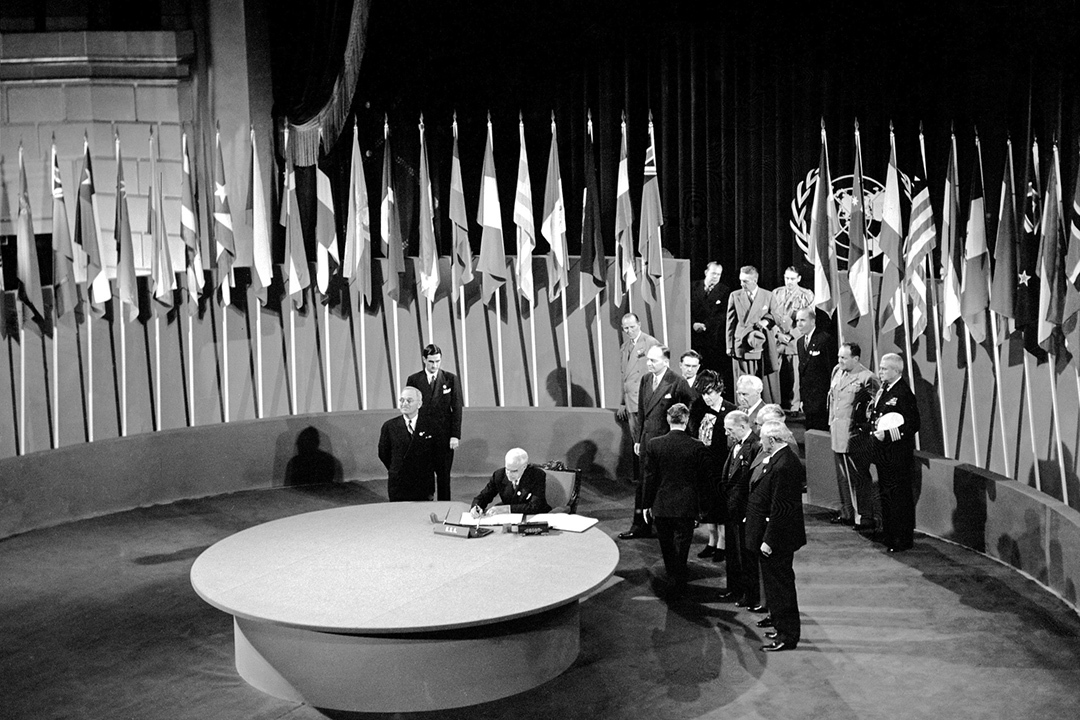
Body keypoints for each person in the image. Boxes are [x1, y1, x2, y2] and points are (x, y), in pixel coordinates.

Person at [619, 344, 694, 539]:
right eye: (648, 360)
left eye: (654, 360)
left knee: (663, 484)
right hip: (646, 441)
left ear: (666, 362)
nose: (649, 363)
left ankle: (666, 527)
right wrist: (638, 439)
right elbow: (642, 412)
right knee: (643, 483)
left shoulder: (677, 382)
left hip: (667, 443)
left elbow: (690, 411)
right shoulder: (645, 380)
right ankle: (640, 526)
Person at [745, 420, 807, 651]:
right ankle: (782, 628)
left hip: (778, 539)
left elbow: (781, 508)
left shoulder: (784, 465)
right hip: (776, 536)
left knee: (781, 588)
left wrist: (769, 541)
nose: (760, 442)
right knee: (776, 587)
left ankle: (787, 636)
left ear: (771, 440)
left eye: (762, 438)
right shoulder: (781, 459)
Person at [642, 403, 709, 599]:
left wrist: (646, 504)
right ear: (687, 420)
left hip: (661, 504)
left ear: (668, 419)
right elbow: (702, 480)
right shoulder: (697, 446)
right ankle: (679, 580)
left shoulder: (654, 444)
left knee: (666, 543)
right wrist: (702, 507)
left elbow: (649, 477)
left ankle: (672, 575)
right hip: (686, 505)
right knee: (683, 543)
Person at [868, 353, 921, 553]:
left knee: (899, 497)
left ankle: (901, 538)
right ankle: (890, 533)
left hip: (897, 454)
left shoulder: (903, 393)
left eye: (884, 368)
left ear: (896, 371)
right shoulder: (885, 390)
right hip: (884, 454)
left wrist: (889, 434)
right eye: (880, 368)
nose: (880, 372)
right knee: (887, 495)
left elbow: (913, 424)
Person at [828, 342, 880, 529]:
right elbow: (833, 399)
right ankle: (847, 512)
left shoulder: (867, 377)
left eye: (844, 358)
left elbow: (877, 405)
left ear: (856, 359)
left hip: (854, 436)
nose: (840, 361)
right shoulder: (837, 371)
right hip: (837, 432)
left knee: (858, 477)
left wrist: (866, 428)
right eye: (839, 357)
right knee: (843, 477)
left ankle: (864, 517)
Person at [687, 371, 737, 562]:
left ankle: (722, 545)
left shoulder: (730, 410)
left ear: (719, 390)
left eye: (710, 393)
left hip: (721, 467)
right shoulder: (698, 408)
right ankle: (712, 541)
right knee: (707, 506)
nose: (706, 397)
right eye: (704, 393)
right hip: (704, 466)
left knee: (720, 507)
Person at [406, 344, 463, 501]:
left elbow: (457, 408)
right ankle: (426, 506)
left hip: (444, 438)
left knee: (444, 476)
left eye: (437, 361)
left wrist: (455, 435)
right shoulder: (414, 380)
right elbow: (409, 408)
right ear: (424, 360)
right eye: (431, 361)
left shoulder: (451, 379)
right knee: (424, 476)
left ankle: (445, 508)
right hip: (421, 437)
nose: (434, 365)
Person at [719, 410, 761, 607]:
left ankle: (749, 595)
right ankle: (734, 589)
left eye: (730, 430)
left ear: (743, 427)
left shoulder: (755, 446)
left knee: (746, 556)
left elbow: (752, 483)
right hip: (731, 509)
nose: (727, 434)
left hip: (743, 511)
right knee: (733, 553)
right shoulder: (736, 445)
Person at [616, 313, 661, 478]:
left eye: (632, 327)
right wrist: (622, 402)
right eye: (626, 328)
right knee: (637, 440)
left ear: (639, 325)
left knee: (647, 440)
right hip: (630, 401)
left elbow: (659, 371)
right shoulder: (624, 347)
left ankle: (650, 476)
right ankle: (641, 476)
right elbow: (624, 378)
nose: (629, 331)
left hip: (645, 400)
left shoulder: (650, 343)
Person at [377, 387, 435, 501]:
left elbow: (437, 454)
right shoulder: (389, 426)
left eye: (409, 400)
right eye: (402, 400)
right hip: (398, 483)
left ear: (419, 404)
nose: (404, 404)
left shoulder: (431, 425)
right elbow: (383, 453)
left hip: (423, 484)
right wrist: (397, 468)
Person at [770, 267, 815, 412]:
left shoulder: (806, 295)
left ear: (799, 279)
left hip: (795, 341)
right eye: (787, 278)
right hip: (777, 340)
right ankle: (775, 405)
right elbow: (770, 316)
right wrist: (777, 334)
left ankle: (795, 406)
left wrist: (791, 335)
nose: (789, 282)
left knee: (796, 376)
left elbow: (808, 320)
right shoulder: (776, 293)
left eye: (792, 279)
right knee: (774, 374)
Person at [726, 265, 777, 386]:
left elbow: (777, 315)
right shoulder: (735, 295)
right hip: (741, 344)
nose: (741, 284)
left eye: (745, 281)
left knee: (758, 381)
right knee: (742, 381)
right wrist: (729, 345)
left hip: (759, 343)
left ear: (755, 281)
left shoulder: (768, 295)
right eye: (740, 280)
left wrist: (766, 321)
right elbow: (730, 322)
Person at [691, 261, 733, 394]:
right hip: (693, 336)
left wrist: (705, 326)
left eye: (719, 274)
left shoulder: (724, 291)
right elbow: (685, 308)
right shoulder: (692, 286)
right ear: (706, 272)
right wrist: (693, 324)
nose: (716, 277)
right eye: (713, 273)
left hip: (712, 338)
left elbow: (722, 315)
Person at [470, 448, 551, 516]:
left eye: (514, 471)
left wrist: (506, 509)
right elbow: (484, 496)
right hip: (509, 518)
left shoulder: (537, 475)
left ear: (524, 467)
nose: (509, 474)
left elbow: (536, 506)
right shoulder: (499, 475)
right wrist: (477, 507)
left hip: (534, 516)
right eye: (507, 469)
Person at [794, 308, 836, 432]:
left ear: (812, 322)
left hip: (822, 400)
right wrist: (801, 399)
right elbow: (803, 372)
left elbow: (832, 371)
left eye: (803, 320)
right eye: (797, 321)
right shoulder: (800, 342)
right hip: (807, 400)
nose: (799, 324)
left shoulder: (825, 340)